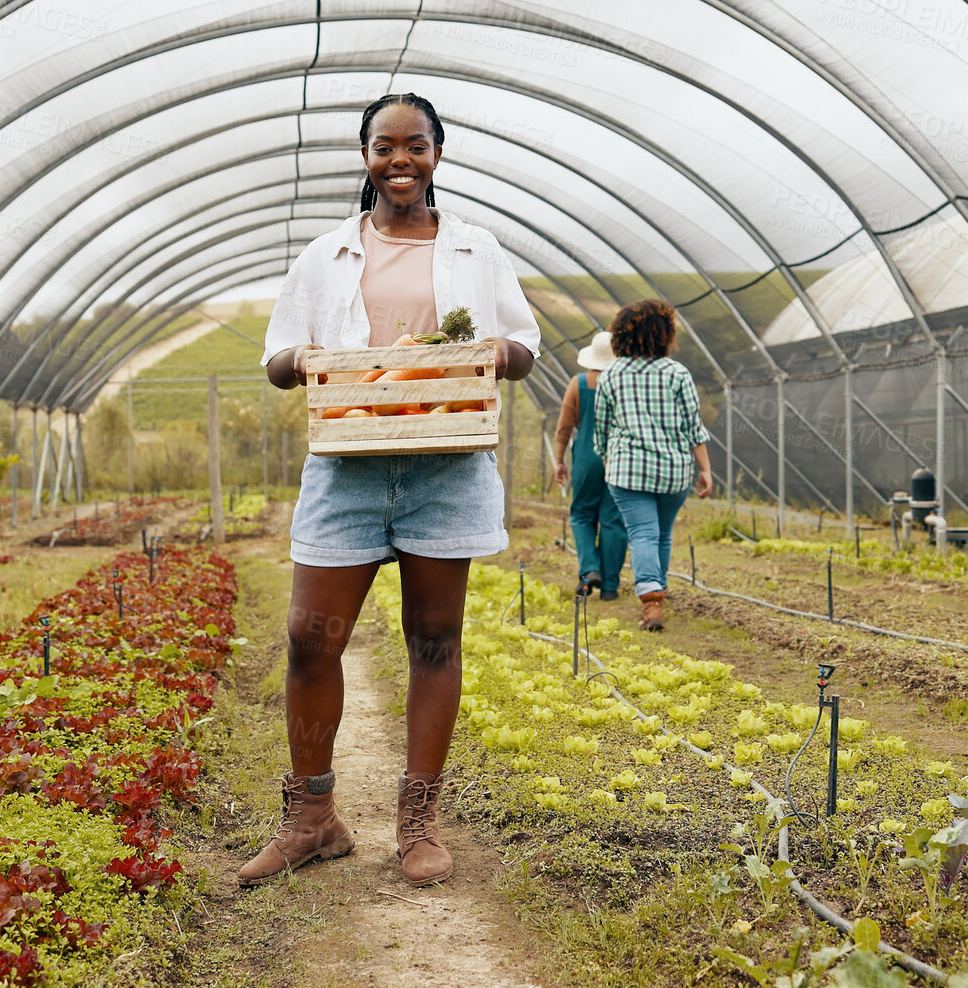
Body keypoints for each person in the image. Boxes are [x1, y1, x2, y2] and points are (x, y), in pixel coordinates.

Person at [251, 93, 539, 888]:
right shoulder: (326, 253)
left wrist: (490, 353)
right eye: (384, 147)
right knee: (311, 640)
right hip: (347, 464)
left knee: (434, 641)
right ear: (366, 157)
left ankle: (418, 821)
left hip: (446, 464)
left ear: (437, 153)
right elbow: (276, 359)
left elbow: (524, 345)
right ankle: (313, 817)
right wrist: (308, 360)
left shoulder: (477, 250)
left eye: (415, 145)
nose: (399, 160)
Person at [593, 298, 714, 632]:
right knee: (661, 534)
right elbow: (693, 427)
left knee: (642, 534)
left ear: (622, 335)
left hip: (627, 470)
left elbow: (601, 429)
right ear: (664, 335)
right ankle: (655, 595)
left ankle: (651, 600)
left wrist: (607, 461)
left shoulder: (612, 374)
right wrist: (704, 469)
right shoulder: (678, 374)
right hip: (673, 471)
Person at [553, 331, 627, 600]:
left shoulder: (579, 383)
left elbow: (564, 428)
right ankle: (609, 587)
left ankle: (589, 571)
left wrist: (560, 460)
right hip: (619, 457)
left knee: (582, 515)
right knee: (613, 520)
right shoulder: (626, 383)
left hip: (586, 456)